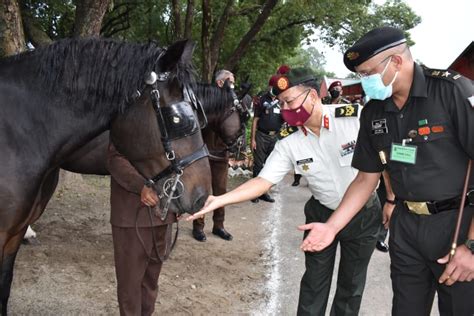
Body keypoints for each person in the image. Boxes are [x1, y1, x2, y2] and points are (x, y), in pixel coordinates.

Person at [298, 26, 474, 315]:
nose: (365, 82)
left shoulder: (451, 91)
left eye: (368, 73)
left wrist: (472, 245)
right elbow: (366, 177)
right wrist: (331, 227)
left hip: (456, 225)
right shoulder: (374, 112)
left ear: (396, 61)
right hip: (406, 228)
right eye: (361, 75)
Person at [187, 67, 385, 315]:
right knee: (314, 284)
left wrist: (392, 199)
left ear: (312, 95)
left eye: (290, 101)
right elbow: (263, 181)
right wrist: (219, 199)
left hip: (363, 216)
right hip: (321, 213)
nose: (286, 109)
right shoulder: (289, 141)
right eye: (282, 103)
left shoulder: (353, 118)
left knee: (351, 286)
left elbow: (381, 158)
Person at [107, 142, 176, 316]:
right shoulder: (128, 116)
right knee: (130, 285)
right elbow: (115, 158)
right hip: (131, 214)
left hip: (164, 214)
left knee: (151, 281)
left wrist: (182, 202)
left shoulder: (175, 116)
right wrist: (140, 185)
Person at [192, 69, 235, 242]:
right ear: (220, 82)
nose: (233, 84)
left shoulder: (231, 101)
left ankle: (219, 225)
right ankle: (198, 226)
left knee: (221, 191)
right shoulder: (205, 98)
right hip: (203, 153)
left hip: (221, 154)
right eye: (230, 81)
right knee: (202, 192)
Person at [250, 74, 284, 203]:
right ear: (270, 86)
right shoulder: (262, 100)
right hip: (261, 136)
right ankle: (253, 194)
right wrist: (252, 139)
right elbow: (255, 120)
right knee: (258, 165)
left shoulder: (281, 101)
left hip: (274, 137)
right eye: (273, 86)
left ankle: (264, 192)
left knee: (270, 165)